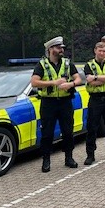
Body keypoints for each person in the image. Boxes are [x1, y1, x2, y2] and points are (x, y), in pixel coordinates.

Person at [30, 36, 82, 173]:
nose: (61, 50)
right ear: (50, 49)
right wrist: (53, 83)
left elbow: (78, 79)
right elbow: (34, 82)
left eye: (62, 48)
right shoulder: (41, 65)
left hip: (65, 102)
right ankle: (46, 160)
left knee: (68, 131)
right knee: (47, 133)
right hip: (48, 103)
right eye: (58, 48)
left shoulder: (67, 63)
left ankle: (69, 158)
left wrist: (70, 84)